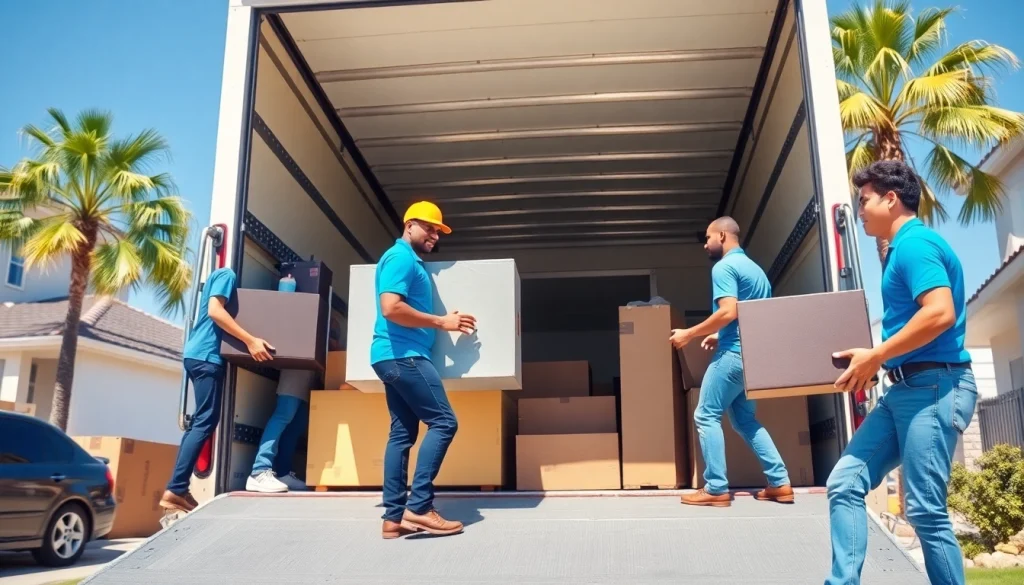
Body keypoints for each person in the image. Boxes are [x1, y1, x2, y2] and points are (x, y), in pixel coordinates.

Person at [826, 160, 976, 585]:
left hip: (935, 387)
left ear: (891, 199)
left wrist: (877, 355)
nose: (859, 210)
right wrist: (882, 361)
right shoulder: (899, 250)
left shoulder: (915, 244)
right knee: (844, 484)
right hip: (905, 389)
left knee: (925, 511)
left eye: (864, 200)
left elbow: (940, 312)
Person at [371, 201, 476, 539]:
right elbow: (391, 308)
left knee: (402, 434)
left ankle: (393, 517)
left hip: (391, 357)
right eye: (429, 228)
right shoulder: (401, 258)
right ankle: (419, 507)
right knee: (444, 423)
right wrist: (442, 322)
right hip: (405, 356)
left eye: (438, 231)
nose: (435, 235)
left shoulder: (405, 259)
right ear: (410, 225)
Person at [670, 216, 793, 507]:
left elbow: (728, 311)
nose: (705, 244)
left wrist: (690, 333)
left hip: (734, 354)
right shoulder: (756, 270)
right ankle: (780, 482)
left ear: (723, 236)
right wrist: (719, 333)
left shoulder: (724, 267)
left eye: (708, 237)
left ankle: (716, 488)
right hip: (753, 357)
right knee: (745, 420)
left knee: (705, 415)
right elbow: (749, 314)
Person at [159, 267, 275, 513]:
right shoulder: (226, 274)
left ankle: (178, 488)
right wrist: (251, 341)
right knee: (205, 421)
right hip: (206, 357)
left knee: (201, 421)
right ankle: (176, 489)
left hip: (198, 356)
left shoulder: (220, 278)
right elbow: (215, 311)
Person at [246, 369, 316, 493]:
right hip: (295, 367)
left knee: (297, 425)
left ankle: (283, 473)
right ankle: (259, 470)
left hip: (311, 373)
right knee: (284, 415)